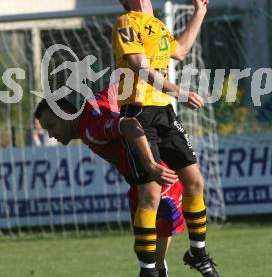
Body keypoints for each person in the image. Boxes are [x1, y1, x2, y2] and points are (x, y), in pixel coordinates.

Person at [112, 0, 220, 277]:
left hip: (164, 114)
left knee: (195, 181)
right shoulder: (126, 24)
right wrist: (179, 92)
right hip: (137, 115)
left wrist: (199, 14)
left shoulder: (157, 26)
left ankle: (197, 252)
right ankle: (148, 270)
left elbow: (181, 50)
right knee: (151, 195)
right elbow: (139, 67)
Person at [34, 84, 186, 277]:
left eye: (51, 126)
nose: (50, 134)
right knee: (142, 246)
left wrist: (151, 166)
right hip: (138, 180)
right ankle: (157, 268)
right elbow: (123, 83)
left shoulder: (91, 128)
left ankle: (157, 269)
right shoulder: (94, 103)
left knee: (152, 245)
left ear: (65, 114)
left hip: (157, 174)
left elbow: (130, 125)